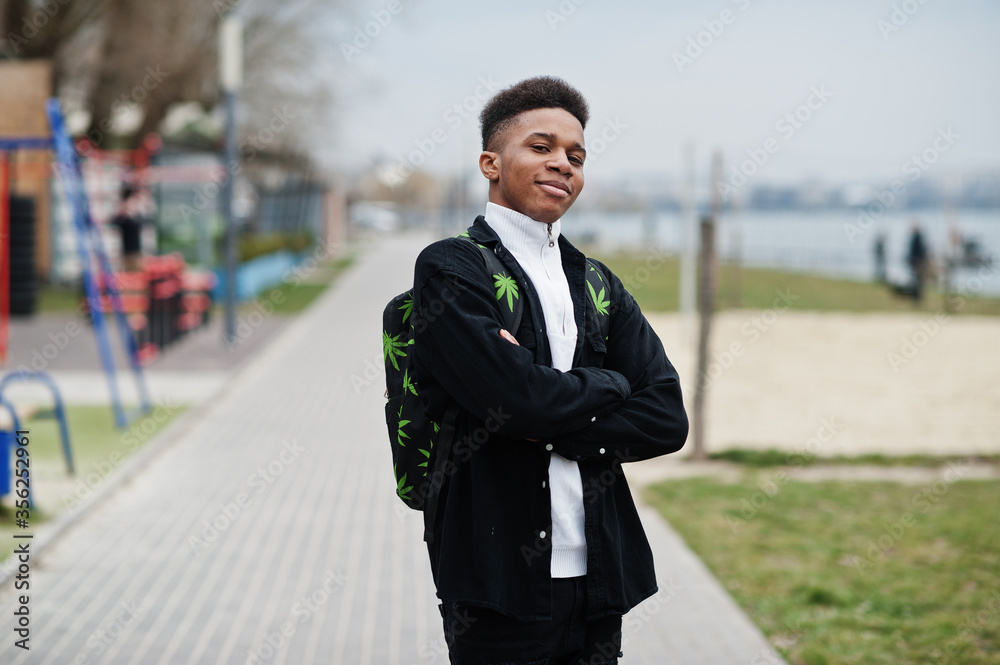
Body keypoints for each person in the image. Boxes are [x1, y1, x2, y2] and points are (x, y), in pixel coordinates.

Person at [409, 76, 688, 664]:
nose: (562, 163)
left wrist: (540, 412)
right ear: (491, 162)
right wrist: (611, 385)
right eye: (541, 147)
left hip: (599, 573)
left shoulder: (597, 283)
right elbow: (516, 400)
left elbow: (665, 417)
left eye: (576, 156)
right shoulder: (453, 270)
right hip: (496, 579)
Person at [109, 184, 144, 272]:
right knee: (126, 275)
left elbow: (139, 224)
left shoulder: (136, 216)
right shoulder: (123, 217)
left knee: (136, 274)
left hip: (135, 252)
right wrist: (123, 213)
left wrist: (130, 213)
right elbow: (113, 222)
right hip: (125, 252)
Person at [906, 220, 929, 302]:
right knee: (916, 279)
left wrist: (918, 261)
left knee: (918, 280)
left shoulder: (918, 238)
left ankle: (916, 296)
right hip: (915, 261)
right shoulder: (916, 237)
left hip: (917, 262)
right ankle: (914, 295)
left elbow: (920, 251)